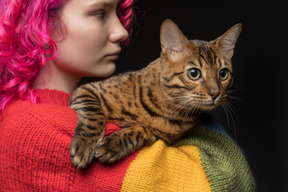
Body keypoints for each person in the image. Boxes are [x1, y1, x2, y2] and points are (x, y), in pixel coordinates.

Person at [0, 0, 255, 191]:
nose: (122, 31)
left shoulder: (45, 112)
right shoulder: (38, 130)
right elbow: (231, 183)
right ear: (40, 25)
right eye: (99, 13)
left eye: (117, 13)